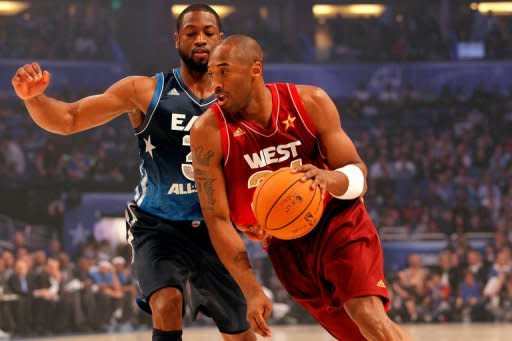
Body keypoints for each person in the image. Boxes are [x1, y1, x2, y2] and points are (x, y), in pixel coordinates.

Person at [11, 5, 255, 341]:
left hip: (216, 228)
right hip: (158, 226)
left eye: (209, 32)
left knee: (241, 332)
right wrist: (35, 99)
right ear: (176, 39)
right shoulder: (144, 91)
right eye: (191, 32)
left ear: (221, 39)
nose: (200, 39)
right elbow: (69, 119)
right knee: (167, 303)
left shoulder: (239, 99)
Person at [190, 35, 412, 341]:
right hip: (284, 244)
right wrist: (252, 290)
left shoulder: (310, 102)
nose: (215, 83)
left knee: (367, 315)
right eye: (212, 74)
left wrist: (328, 179)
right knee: (358, 335)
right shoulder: (207, 131)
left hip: (337, 222)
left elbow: (358, 173)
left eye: (225, 71)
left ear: (255, 69)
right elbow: (217, 219)